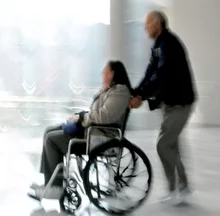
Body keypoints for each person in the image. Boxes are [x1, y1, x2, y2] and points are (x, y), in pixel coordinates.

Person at [29, 61, 132, 200]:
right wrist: (80, 117)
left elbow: (104, 116)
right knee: (49, 131)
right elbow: (97, 112)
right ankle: (50, 180)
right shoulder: (109, 90)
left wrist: (82, 118)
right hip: (92, 130)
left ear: (113, 73)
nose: (102, 74)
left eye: (105, 71)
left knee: (51, 139)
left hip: (100, 137)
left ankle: (55, 187)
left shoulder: (120, 92)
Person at [130, 11, 196, 205]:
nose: (145, 28)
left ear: (157, 24)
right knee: (172, 146)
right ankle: (179, 189)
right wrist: (137, 92)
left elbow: (161, 75)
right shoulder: (158, 45)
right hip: (170, 103)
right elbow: (150, 71)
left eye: (147, 24)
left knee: (163, 145)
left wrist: (141, 96)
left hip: (180, 104)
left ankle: (179, 188)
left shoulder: (169, 44)